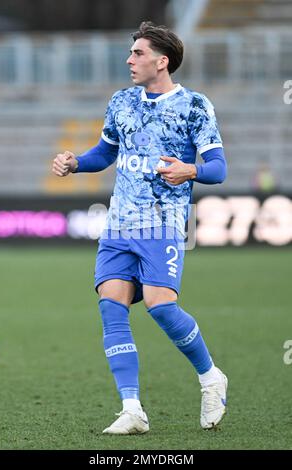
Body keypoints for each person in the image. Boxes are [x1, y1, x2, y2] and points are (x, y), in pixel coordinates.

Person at [52, 21, 228, 435]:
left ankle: (210, 378)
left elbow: (218, 169)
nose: (130, 60)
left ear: (161, 61)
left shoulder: (195, 106)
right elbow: (104, 153)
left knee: (160, 306)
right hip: (119, 224)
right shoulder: (122, 102)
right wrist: (77, 162)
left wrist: (192, 170)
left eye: (138, 53)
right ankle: (132, 409)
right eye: (131, 53)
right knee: (111, 307)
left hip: (162, 224)